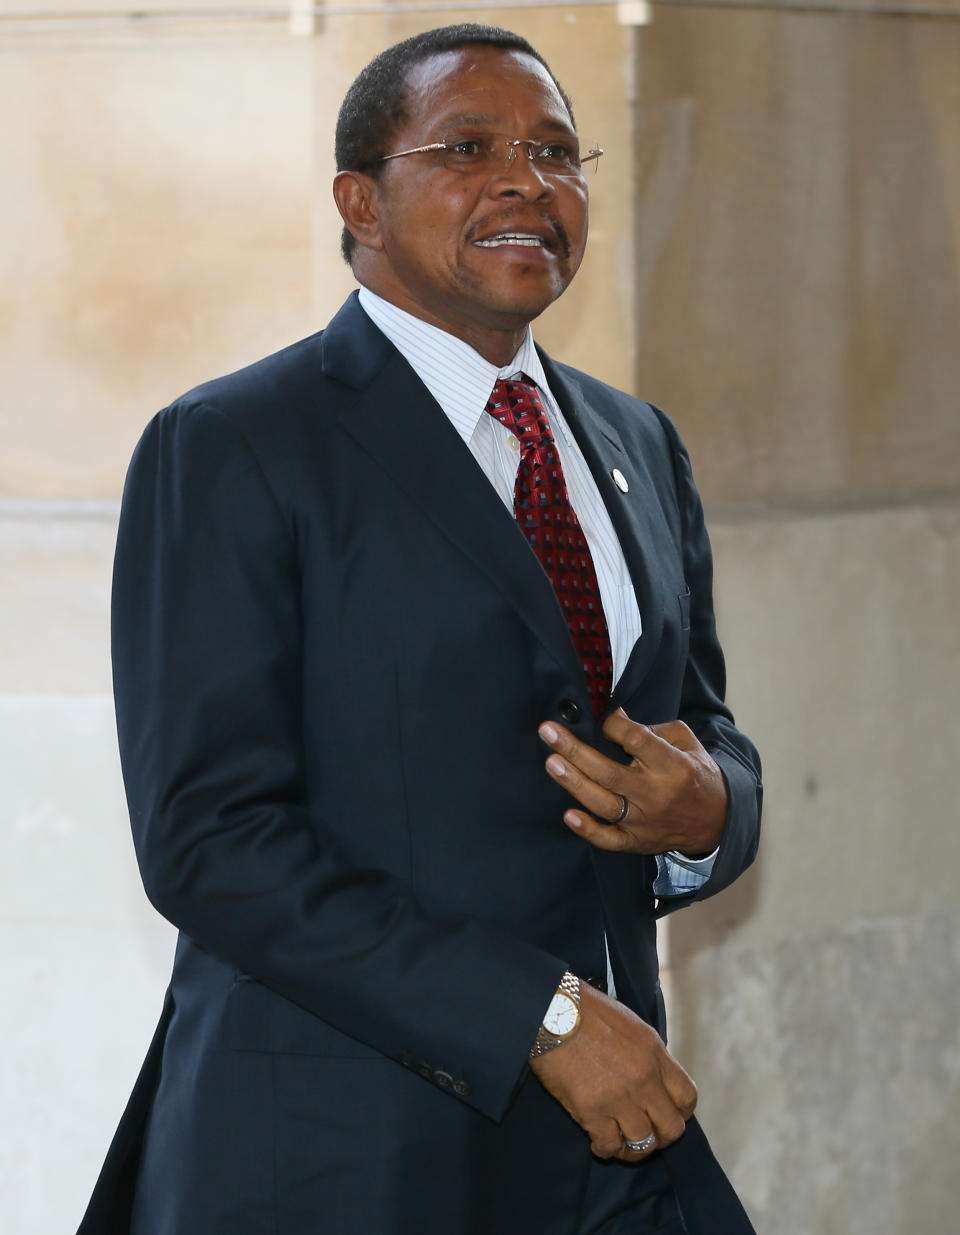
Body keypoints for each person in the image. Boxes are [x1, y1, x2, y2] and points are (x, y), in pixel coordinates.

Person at [78, 23, 762, 1235]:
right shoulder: (236, 442)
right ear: (362, 201)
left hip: (609, 1154)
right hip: (344, 1155)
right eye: (470, 146)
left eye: (559, 151)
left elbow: (699, 730)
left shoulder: (635, 441)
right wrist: (537, 1014)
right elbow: (210, 838)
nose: (527, 180)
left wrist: (709, 813)